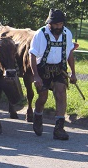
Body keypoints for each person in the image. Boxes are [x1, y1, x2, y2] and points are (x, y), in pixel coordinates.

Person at [30, 9, 78, 140]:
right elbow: (32, 55)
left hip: (59, 69)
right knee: (43, 97)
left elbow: (70, 54)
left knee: (61, 94)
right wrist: (36, 76)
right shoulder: (40, 34)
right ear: (49, 23)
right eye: (56, 24)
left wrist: (73, 73)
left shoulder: (67, 33)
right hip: (42, 70)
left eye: (61, 24)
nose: (58, 27)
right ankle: (38, 115)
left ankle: (59, 128)